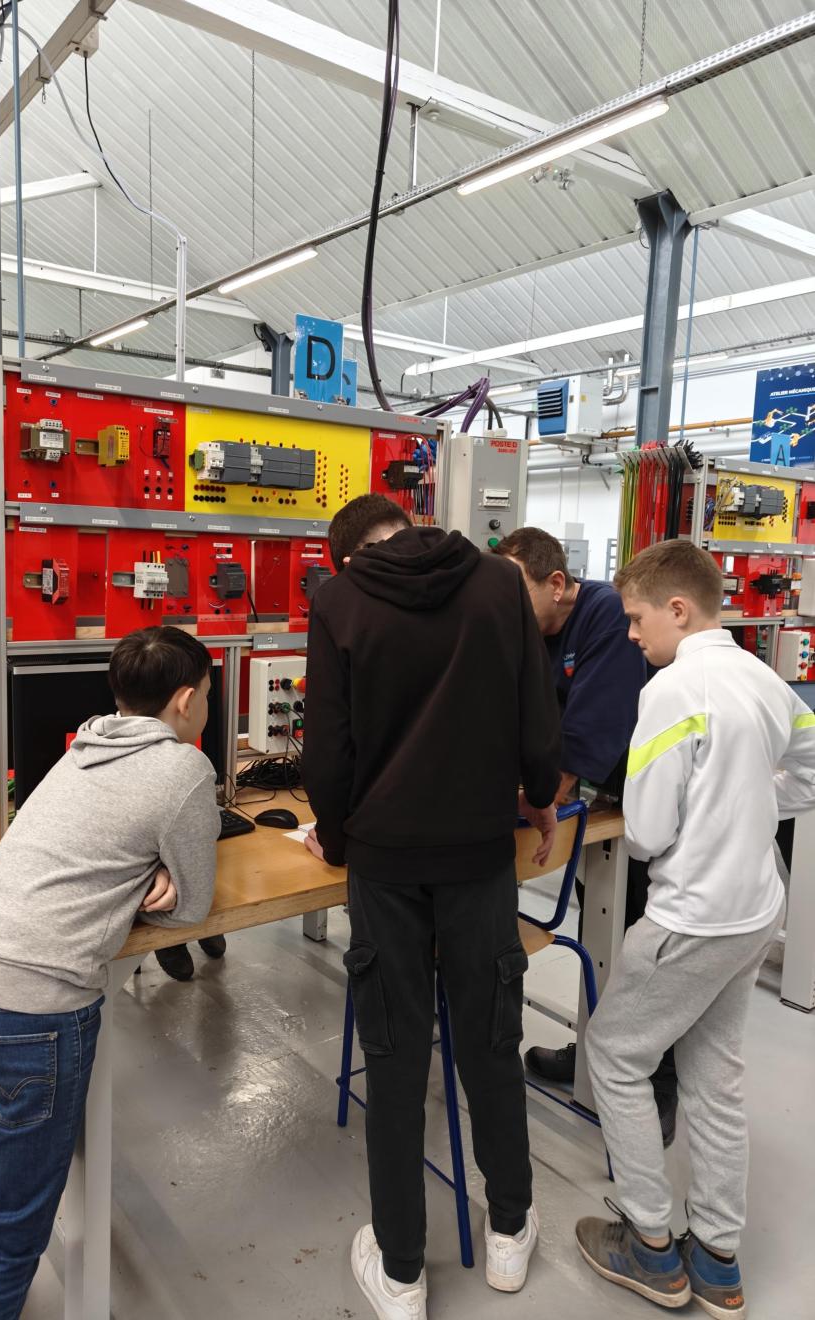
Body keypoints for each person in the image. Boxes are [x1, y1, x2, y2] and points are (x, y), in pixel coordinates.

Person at [302, 493, 561, 1320]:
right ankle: (510, 1230)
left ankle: (403, 1273)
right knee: (491, 1042)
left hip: (385, 865)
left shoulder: (339, 600)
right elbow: (536, 715)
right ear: (411, 523)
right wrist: (540, 793)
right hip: (479, 857)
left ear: (349, 555)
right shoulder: (498, 583)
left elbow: (327, 751)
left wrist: (336, 839)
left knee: (394, 1057)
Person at [0, 626, 220, 1320]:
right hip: (33, 1012)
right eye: (209, 695)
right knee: (15, 1225)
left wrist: (141, 865)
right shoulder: (184, 769)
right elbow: (193, 909)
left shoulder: (85, 744)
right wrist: (159, 878)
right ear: (185, 701)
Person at [575, 541, 815, 1315]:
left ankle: (649, 1244)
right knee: (715, 1074)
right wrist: (746, 805)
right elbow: (810, 771)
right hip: (754, 910)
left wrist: (710, 810)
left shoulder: (672, 689)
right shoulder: (766, 679)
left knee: (616, 1055)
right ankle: (716, 1259)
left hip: (691, 918)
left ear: (677, 609)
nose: (630, 635)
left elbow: (646, 832)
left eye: (637, 619)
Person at [493, 529, 680, 1141]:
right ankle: (597, 1049)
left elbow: (590, 728)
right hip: (602, 802)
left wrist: (543, 796)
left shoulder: (604, 614)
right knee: (604, 923)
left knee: (642, 939)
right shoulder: (523, 631)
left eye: (515, 590)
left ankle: (657, 1080)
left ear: (557, 583)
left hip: (646, 802)